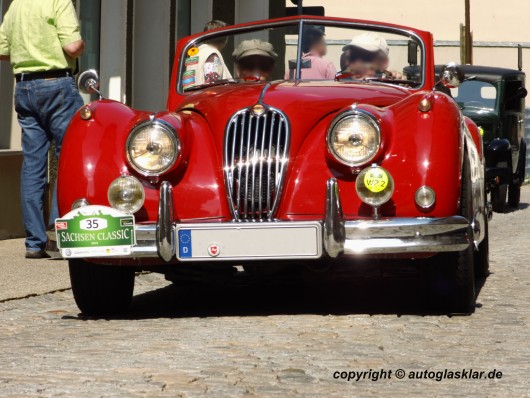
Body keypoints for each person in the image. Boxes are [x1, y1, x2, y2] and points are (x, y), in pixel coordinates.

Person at [0, 0, 85, 258]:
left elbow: (3, 51)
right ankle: (59, 234)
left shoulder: (15, 6)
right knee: (69, 156)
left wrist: (29, 52)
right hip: (57, 84)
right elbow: (72, 46)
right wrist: (81, 45)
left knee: (32, 164)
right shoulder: (58, 1)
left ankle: (34, 242)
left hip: (24, 87)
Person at [183, 20, 232, 89]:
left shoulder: (195, 54)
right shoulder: (212, 55)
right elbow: (213, 88)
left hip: (191, 97)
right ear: (225, 39)